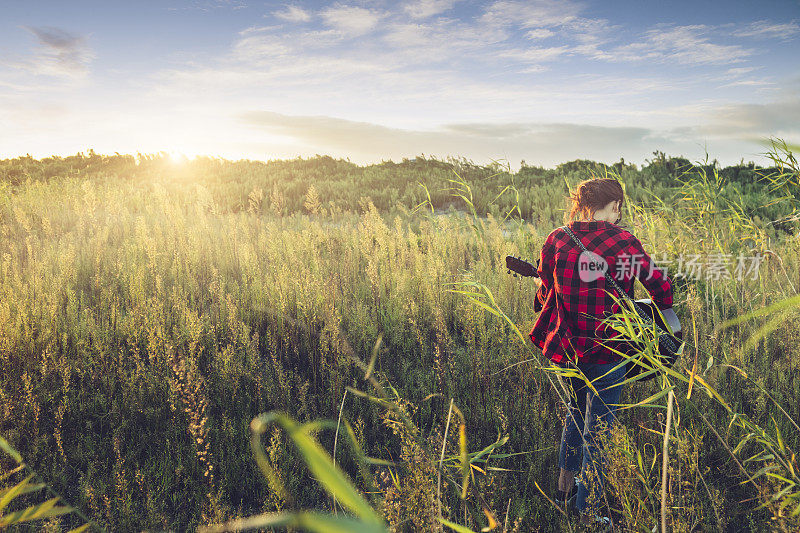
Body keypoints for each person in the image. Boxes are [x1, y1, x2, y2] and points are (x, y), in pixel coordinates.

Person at [528, 178, 674, 526]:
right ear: (614, 206)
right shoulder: (622, 241)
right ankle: (588, 512)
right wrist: (661, 316)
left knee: (576, 413)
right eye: (617, 208)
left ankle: (564, 489)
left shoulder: (557, 238)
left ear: (580, 204)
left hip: (567, 349)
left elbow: (542, 298)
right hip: (608, 351)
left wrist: (544, 286)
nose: (618, 214)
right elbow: (660, 288)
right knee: (600, 428)